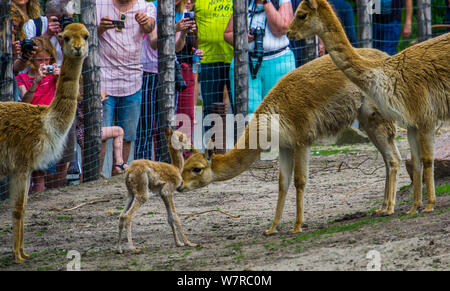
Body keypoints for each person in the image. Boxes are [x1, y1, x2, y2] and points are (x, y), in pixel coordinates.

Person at [135, 0, 197, 161]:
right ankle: (143, 164)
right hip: (149, 71)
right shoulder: (152, 8)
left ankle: (165, 164)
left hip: (169, 70)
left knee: (168, 124)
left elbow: (177, 47)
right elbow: (154, 43)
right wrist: (174, 28)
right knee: (146, 125)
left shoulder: (180, 11)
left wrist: (183, 33)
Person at [96, 0, 156, 165]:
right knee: (99, 135)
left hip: (132, 81)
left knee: (128, 135)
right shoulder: (98, 4)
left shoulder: (145, 6)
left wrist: (146, 23)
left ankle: (119, 173)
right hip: (104, 82)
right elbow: (86, 36)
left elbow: (151, 30)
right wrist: (100, 28)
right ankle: (96, 178)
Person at [15, 37, 74, 192]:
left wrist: (61, 77)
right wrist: (36, 82)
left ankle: (43, 201)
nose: (44, 64)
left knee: (42, 172)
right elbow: (25, 101)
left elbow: (69, 93)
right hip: (31, 126)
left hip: (49, 126)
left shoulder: (54, 76)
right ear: (31, 60)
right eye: (39, 60)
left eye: (47, 60)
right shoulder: (22, 78)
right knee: (28, 171)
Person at [224, 0, 296, 117]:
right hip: (246, 64)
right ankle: (253, 136)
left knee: (278, 114)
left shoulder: (282, 1)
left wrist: (266, 3)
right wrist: (242, 37)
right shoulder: (244, 2)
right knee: (249, 115)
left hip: (278, 64)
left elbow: (282, 29)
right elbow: (227, 34)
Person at [194, 0, 234, 135]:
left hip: (235, 59)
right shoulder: (197, 2)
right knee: (211, 110)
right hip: (208, 60)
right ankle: (211, 153)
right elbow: (194, 30)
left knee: (239, 108)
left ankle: (239, 152)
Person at [175, 0, 204, 159]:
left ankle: (186, 158)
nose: (188, 2)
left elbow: (192, 52)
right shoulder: (165, 13)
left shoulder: (192, 21)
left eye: (192, 0)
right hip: (169, 71)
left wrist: (197, 54)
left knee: (186, 119)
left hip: (186, 72)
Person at [289, 0, 356, 67]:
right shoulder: (344, 5)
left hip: (300, 53)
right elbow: (352, 38)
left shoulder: (303, 4)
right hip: (338, 55)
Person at [23, 0, 76, 66]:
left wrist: (65, 41)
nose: (61, 22)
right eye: (58, 19)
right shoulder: (33, 25)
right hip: (38, 72)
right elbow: (27, 54)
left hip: (63, 71)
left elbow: (81, 57)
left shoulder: (76, 28)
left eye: (65, 19)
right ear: (47, 14)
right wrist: (47, 35)